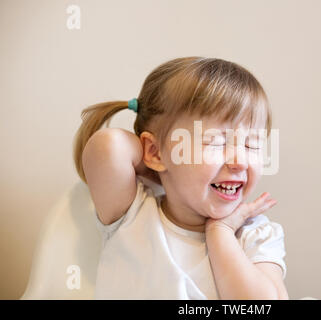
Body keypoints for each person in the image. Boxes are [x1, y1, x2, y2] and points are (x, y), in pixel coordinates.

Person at [72, 56, 288, 299]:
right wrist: (165, 162)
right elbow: (108, 146)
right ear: (153, 151)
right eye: (216, 142)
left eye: (252, 145)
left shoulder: (254, 235)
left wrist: (221, 232)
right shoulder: (132, 214)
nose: (239, 162)